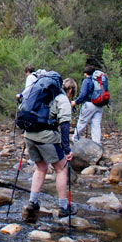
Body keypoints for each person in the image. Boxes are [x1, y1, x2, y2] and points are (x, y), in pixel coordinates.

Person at [24, 72, 75, 218]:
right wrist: (67, 150)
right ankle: (64, 206)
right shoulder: (61, 99)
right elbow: (65, 125)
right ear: (70, 91)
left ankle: (32, 202)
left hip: (29, 135)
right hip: (46, 137)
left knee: (41, 167)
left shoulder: (37, 94)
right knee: (61, 168)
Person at [71, 65, 103, 144]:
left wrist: (76, 102)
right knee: (96, 125)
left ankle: (75, 139)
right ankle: (97, 143)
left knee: (82, 122)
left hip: (89, 104)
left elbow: (83, 94)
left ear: (86, 73)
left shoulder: (87, 81)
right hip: (99, 105)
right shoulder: (99, 80)